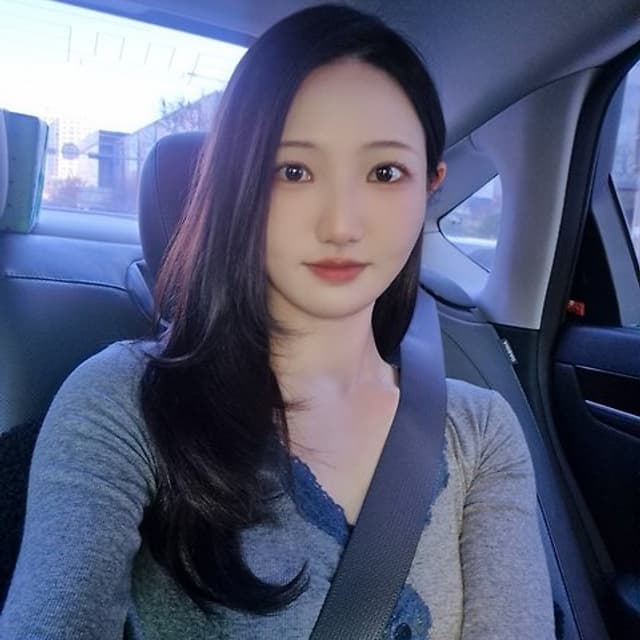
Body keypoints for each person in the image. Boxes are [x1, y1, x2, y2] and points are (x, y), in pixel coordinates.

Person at [0, 4, 555, 639]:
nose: (341, 224)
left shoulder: (481, 432)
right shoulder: (128, 401)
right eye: (293, 171)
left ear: (430, 185)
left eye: (384, 172)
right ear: (238, 182)